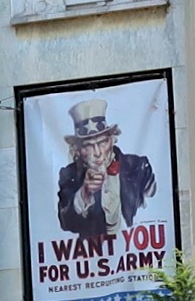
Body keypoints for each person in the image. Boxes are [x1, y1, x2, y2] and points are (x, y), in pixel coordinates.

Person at [55, 95, 159, 240]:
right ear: (78, 150)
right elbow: (66, 223)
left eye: (102, 143)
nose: (97, 153)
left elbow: (156, 207)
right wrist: (84, 193)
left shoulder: (138, 166)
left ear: (112, 140)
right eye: (88, 146)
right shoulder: (69, 175)